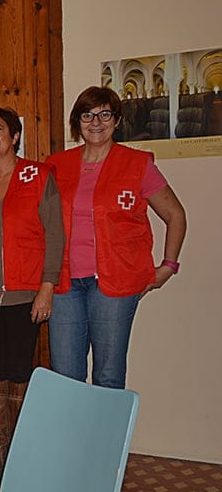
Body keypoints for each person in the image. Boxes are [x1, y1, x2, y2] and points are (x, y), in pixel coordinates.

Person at [46, 87, 186, 389]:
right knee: (65, 375)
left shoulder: (137, 165)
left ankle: (104, 438)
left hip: (116, 282)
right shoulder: (56, 165)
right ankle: (73, 437)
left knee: (108, 374)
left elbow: (175, 215)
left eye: (104, 114)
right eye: (87, 115)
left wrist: (168, 266)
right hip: (65, 283)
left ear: (117, 120)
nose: (96, 122)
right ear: (77, 121)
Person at [0, 107, 64, 483]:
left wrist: (47, 287)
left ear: (15, 136)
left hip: (25, 293)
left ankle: (21, 450)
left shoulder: (38, 176)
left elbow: (55, 235)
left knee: (20, 370)